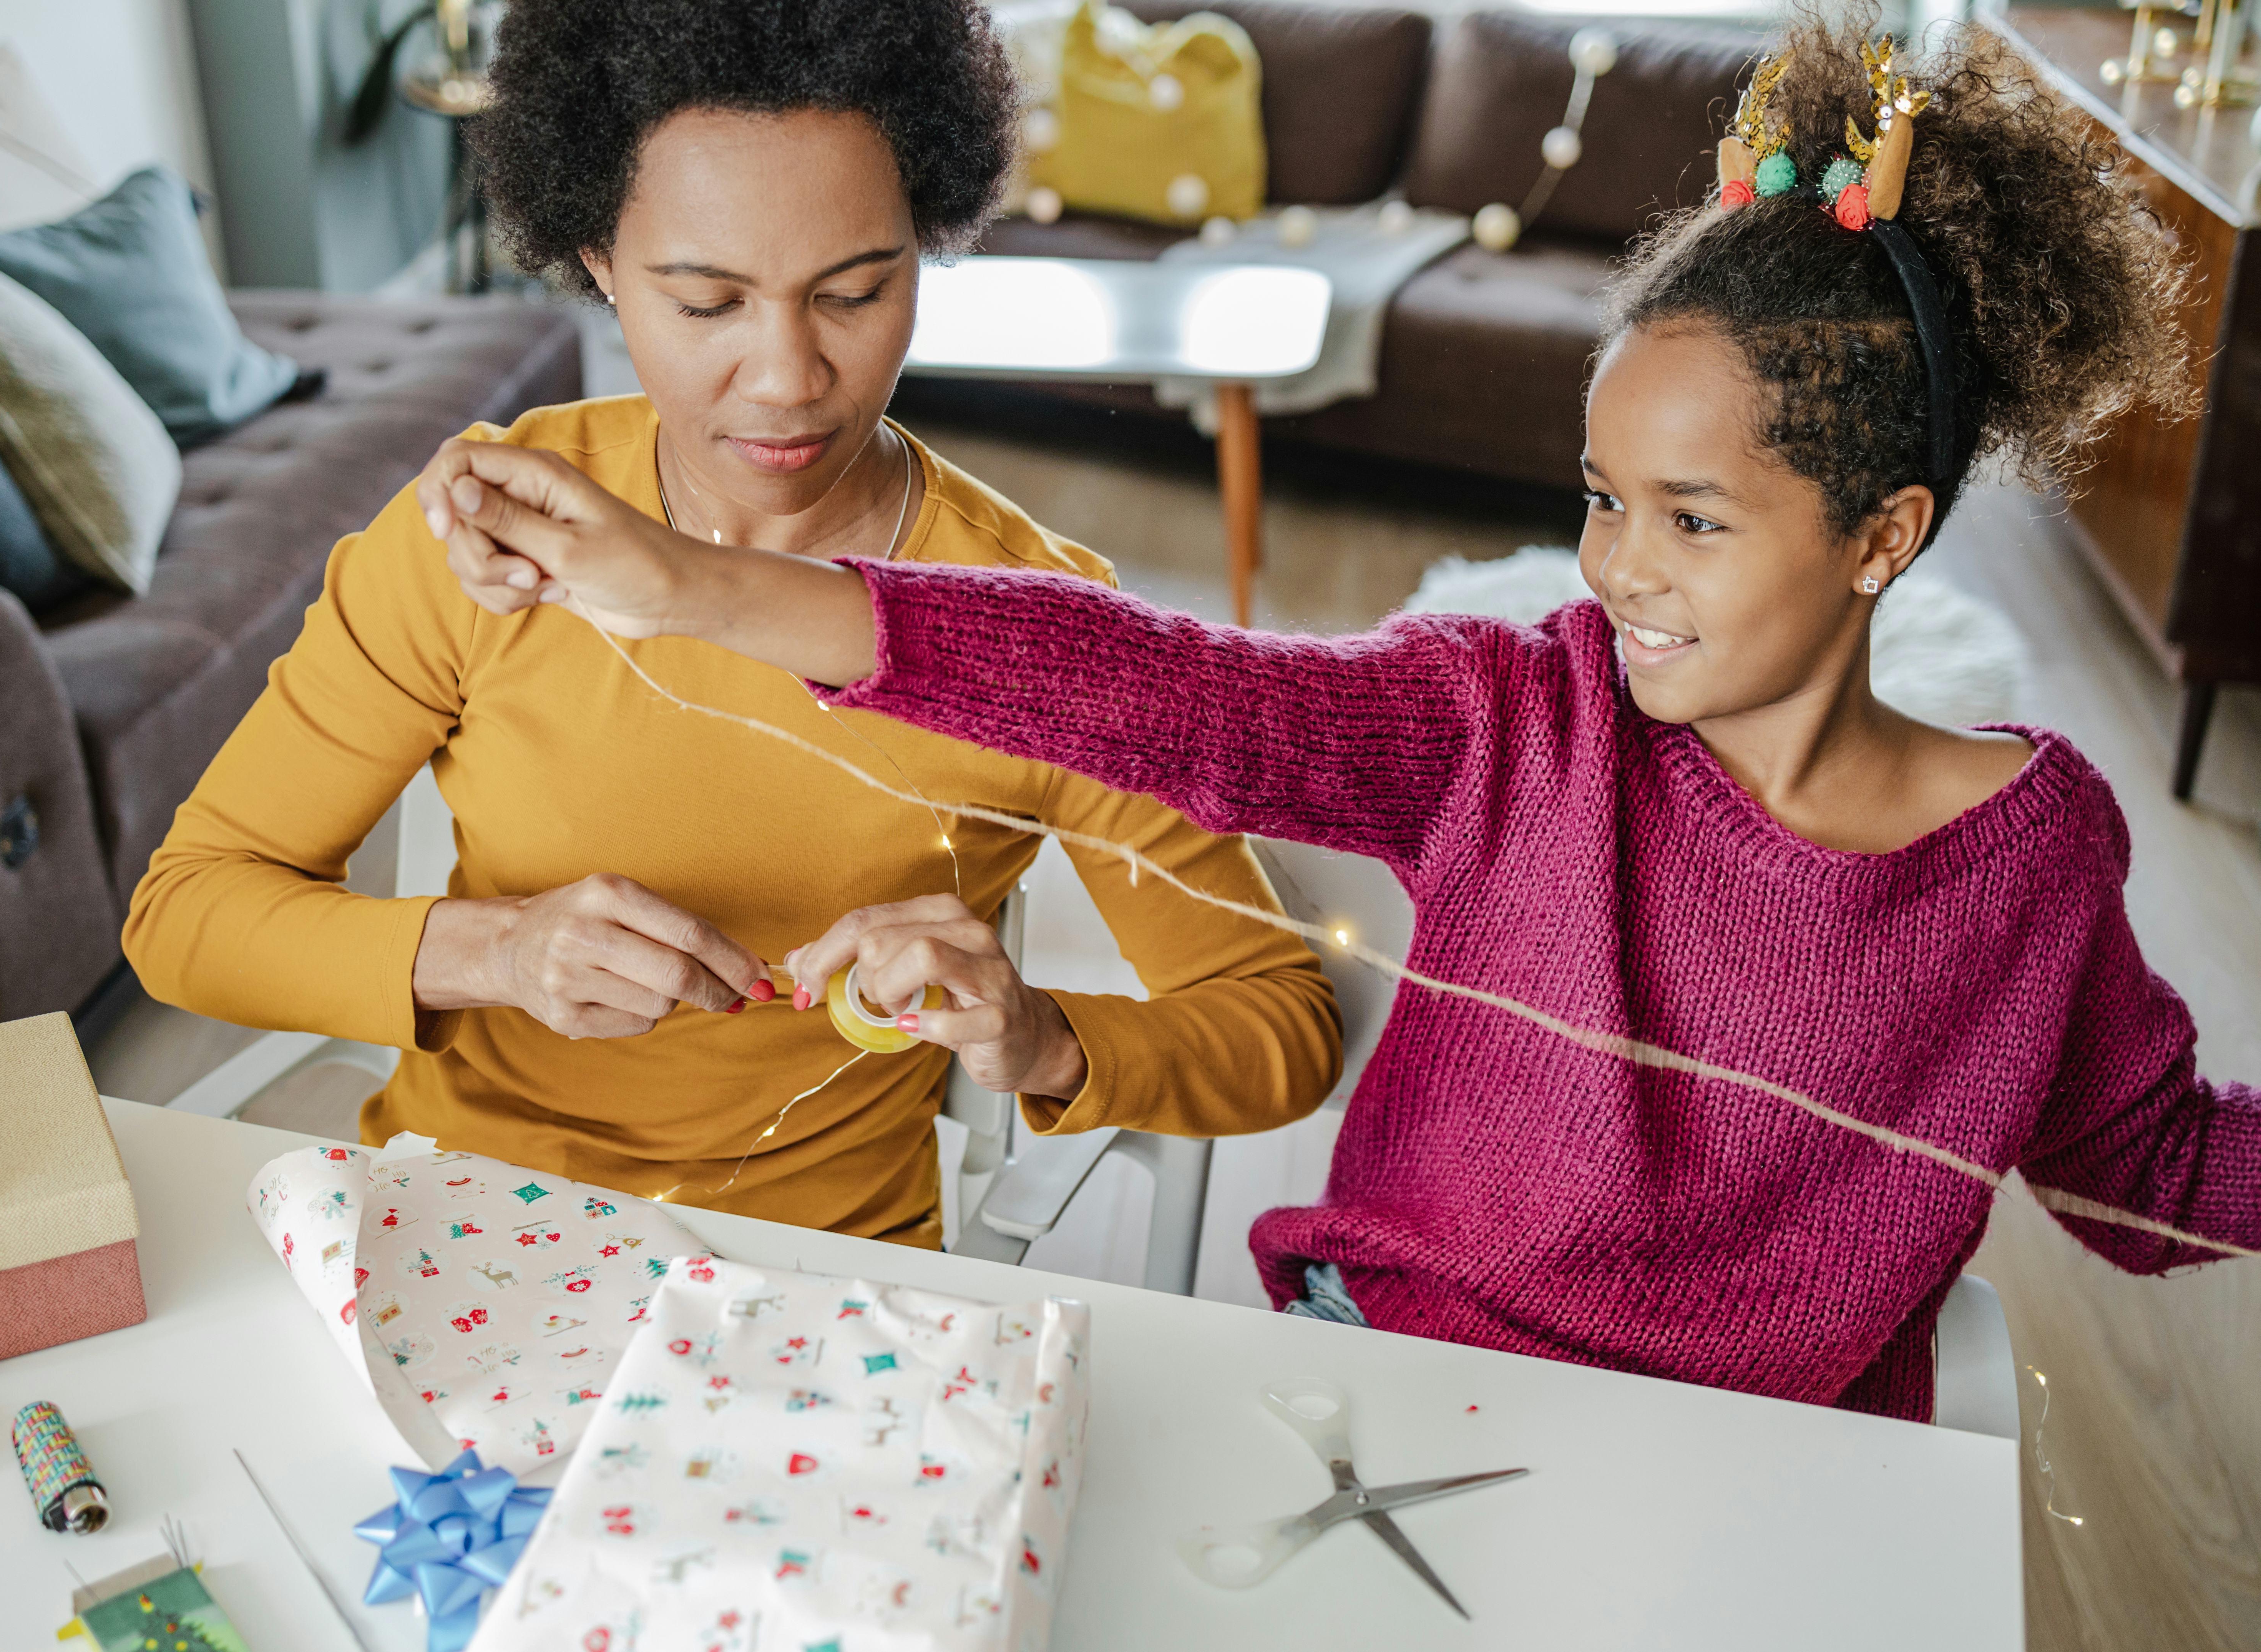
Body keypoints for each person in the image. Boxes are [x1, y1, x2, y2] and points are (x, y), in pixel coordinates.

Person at [415, 15, 2260, 1418]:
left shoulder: (2034, 856)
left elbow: (2146, 1169)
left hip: (1759, 1463)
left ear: (1882, 538)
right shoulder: (1512, 716)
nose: (1616, 568)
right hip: (1375, 1373)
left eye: (1693, 520)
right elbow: (1171, 694)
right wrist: (692, 588)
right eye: (1603, 496)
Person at [123, 0, 1341, 1250]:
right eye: (707, 303)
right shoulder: (485, 539)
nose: (787, 378)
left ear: (928, 241)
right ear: (597, 258)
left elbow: (1280, 1024)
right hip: (464, 1221)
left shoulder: (1034, 631)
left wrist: (1037, 1032)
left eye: (857, 291)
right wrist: (496, 952)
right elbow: (188, 916)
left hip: (826, 1279)